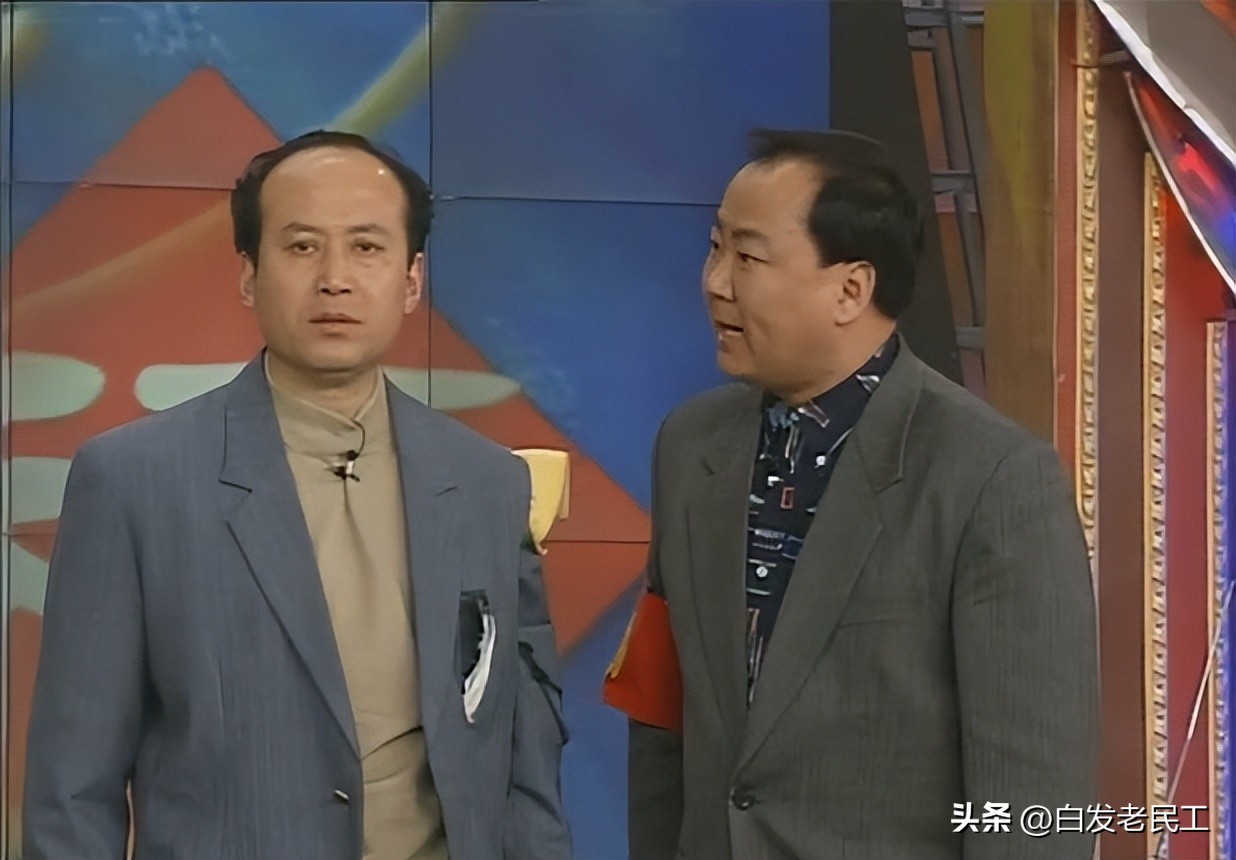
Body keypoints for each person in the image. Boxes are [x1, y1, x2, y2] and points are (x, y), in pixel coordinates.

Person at [24, 130, 571, 860]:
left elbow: (526, 764)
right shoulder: (133, 481)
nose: (335, 279)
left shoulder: (486, 482)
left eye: (367, 247)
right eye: (303, 246)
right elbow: (72, 790)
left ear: (412, 279)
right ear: (249, 274)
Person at [618, 129, 1098, 860]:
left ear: (851, 290)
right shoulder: (690, 446)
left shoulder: (993, 479)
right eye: (715, 249)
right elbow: (661, 717)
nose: (715, 282)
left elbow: (1036, 800)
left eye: (748, 258)